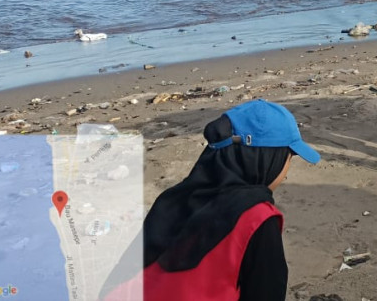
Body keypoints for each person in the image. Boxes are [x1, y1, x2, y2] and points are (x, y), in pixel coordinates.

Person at [102, 99, 320, 300]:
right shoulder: (257, 218)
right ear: (267, 159)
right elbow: (267, 291)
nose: (286, 170)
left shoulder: (172, 199)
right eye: (289, 158)